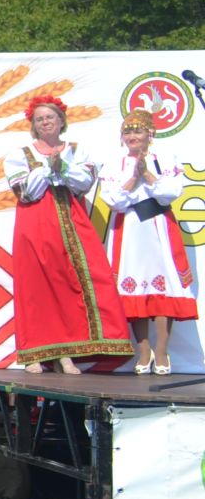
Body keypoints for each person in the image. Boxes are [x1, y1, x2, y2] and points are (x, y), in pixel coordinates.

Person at [3, 94, 134, 373]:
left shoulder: (76, 151)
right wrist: (46, 170)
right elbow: (25, 193)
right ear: (33, 125)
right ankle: (32, 354)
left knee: (71, 283)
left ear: (61, 121)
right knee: (35, 286)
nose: (45, 122)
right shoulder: (20, 155)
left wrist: (61, 166)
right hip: (35, 223)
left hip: (71, 221)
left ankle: (66, 352)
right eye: (39, 119)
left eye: (50, 117)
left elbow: (83, 183)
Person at [101, 108, 197, 374]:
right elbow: (115, 200)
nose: (132, 135)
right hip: (130, 229)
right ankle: (143, 350)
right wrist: (134, 177)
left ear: (150, 134)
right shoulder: (114, 162)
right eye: (128, 131)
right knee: (132, 289)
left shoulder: (164, 157)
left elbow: (169, 193)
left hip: (158, 227)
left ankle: (162, 350)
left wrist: (149, 175)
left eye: (138, 130)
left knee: (163, 287)